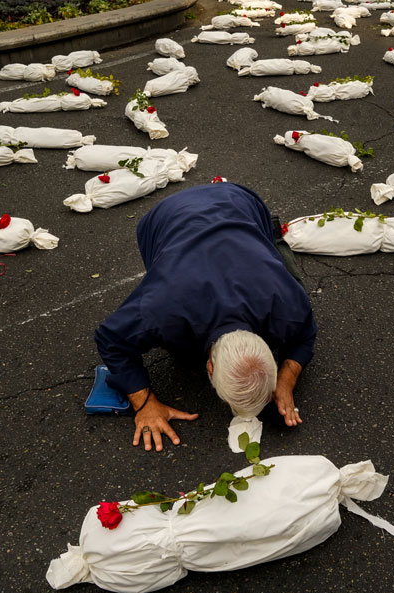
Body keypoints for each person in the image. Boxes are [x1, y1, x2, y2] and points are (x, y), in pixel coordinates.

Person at [95, 183, 318, 453]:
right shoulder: (161, 310)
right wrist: (144, 403)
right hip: (166, 216)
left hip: (239, 202)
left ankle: (267, 232)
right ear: (209, 367)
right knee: (184, 357)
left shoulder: (286, 304)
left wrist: (286, 378)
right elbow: (111, 338)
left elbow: (306, 332)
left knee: (287, 274)